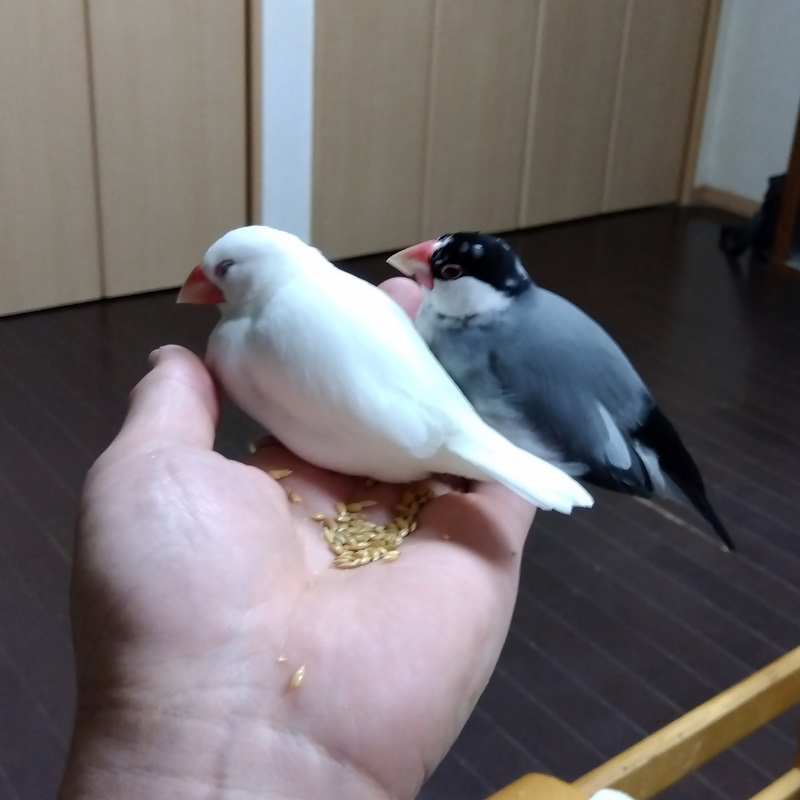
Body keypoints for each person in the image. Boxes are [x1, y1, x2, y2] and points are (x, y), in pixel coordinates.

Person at [57, 279, 536, 800]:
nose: (203, 285)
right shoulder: (319, 303)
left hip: (405, 442)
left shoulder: (247, 342)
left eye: (224, 271)